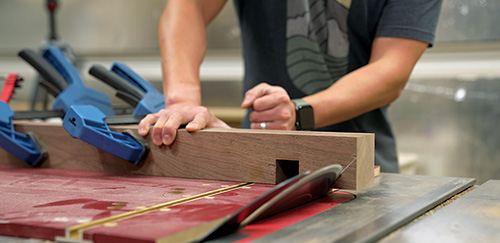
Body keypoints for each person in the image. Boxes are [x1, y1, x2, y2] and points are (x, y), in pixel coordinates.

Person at [138, 0, 443, 173]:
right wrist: (182, 101)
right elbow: (188, 7)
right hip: (260, 163)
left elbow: (391, 71)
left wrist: (299, 112)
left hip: (361, 169)